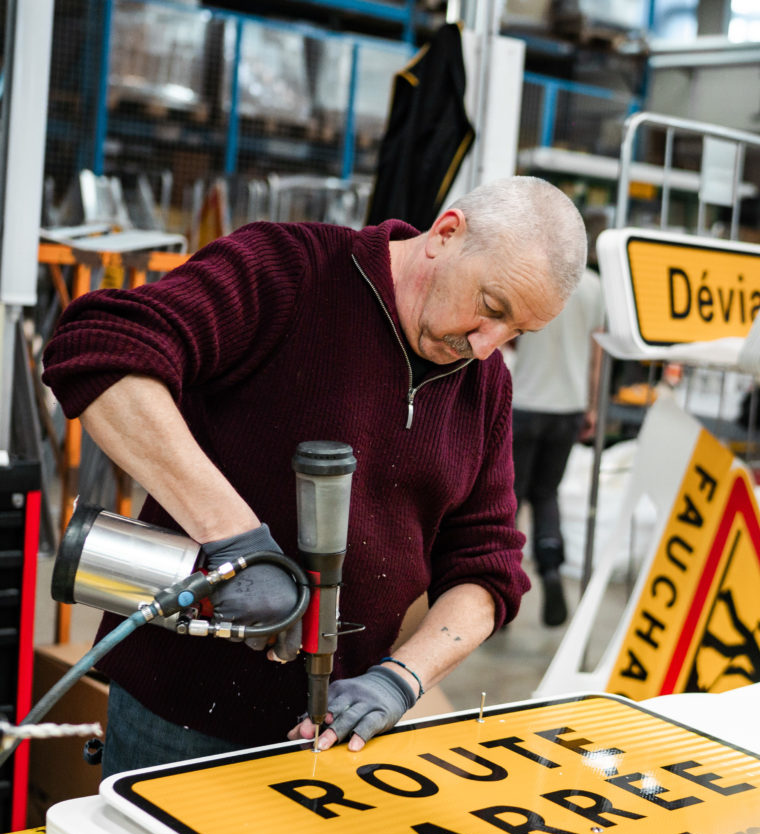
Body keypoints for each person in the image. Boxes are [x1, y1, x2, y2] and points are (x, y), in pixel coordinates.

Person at [42, 176, 587, 775]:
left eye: (517, 334)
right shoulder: (290, 270)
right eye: (491, 308)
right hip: (177, 719)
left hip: (328, 737)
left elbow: (488, 570)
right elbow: (100, 349)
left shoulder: (485, 388)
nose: (487, 347)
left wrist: (401, 678)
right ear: (447, 234)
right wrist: (237, 543)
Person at [504, 266, 604, 627]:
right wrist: (592, 405)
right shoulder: (595, 286)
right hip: (570, 407)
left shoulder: (535, 276)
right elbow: (597, 353)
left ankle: (501, 586)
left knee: (509, 499)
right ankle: (549, 567)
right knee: (547, 493)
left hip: (526, 403)